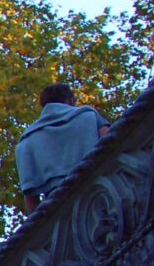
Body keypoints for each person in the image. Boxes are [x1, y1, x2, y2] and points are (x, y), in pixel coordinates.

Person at [16, 83, 109, 212]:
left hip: (60, 213)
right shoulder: (89, 115)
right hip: (99, 196)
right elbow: (111, 145)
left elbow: (31, 199)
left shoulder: (26, 141)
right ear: (70, 100)